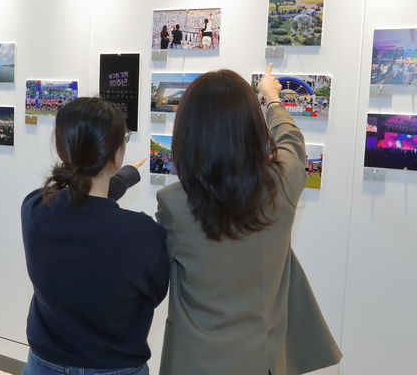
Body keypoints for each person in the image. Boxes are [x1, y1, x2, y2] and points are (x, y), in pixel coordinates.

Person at [156, 64, 342, 375]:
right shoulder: (283, 181)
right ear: (251, 125)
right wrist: (272, 98)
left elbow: (155, 276)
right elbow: (291, 141)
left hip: (196, 361)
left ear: (188, 132)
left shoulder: (174, 203)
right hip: (263, 360)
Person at [22, 97, 169, 375]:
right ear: (116, 154)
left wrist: (125, 176)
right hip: (116, 368)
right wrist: (121, 176)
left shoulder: (35, 208)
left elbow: (82, 199)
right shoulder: (142, 233)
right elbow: (155, 292)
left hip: (44, 365)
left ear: (61, 147)